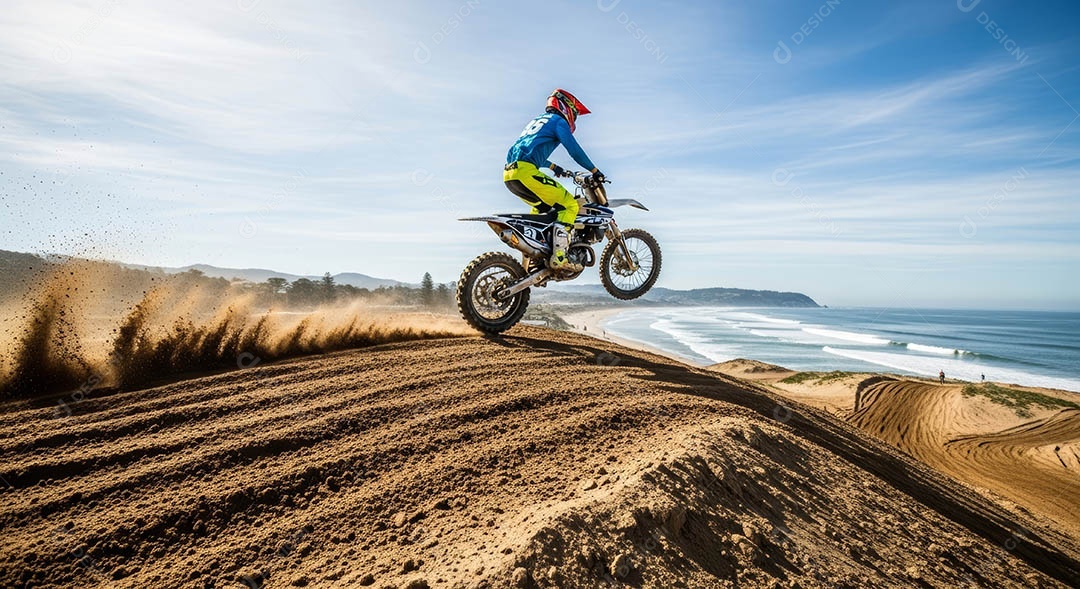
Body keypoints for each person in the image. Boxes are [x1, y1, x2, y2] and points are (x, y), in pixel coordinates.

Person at [504, 88, 604, 273]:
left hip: (511, 174)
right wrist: (594, 170)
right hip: (526, 173)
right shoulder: (558, 121)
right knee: (570, 206)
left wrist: (554, 168)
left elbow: (530, 153)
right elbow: (574, 150)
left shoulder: (537, 122)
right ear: (566, 107)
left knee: (543, 212)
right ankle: (559, 258)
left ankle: (535, 259)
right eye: (574, 112)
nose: (574, 117)